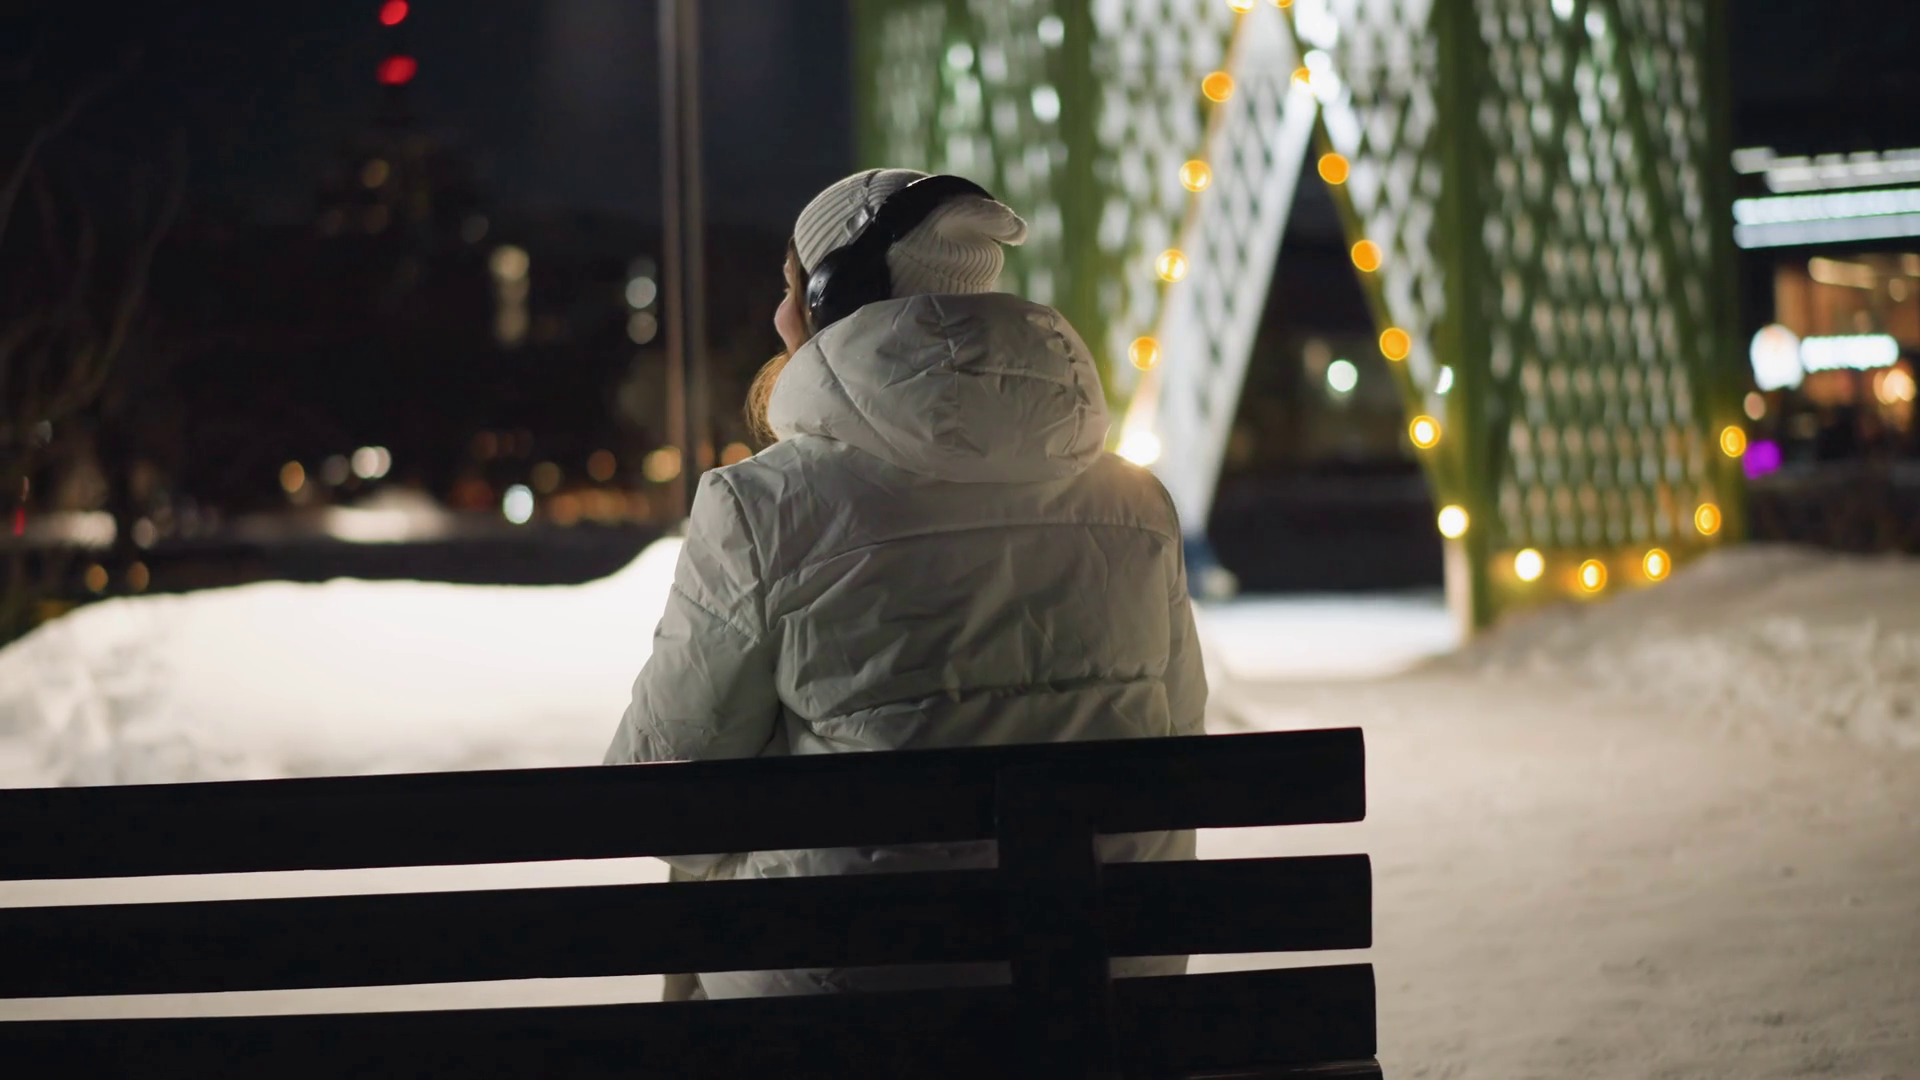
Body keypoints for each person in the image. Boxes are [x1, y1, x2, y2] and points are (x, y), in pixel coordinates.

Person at [605, 168, 1207, 1000]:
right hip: (1102, 988)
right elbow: (1178, 753)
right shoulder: (1136, 506)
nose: (780, 316)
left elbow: (660, 803)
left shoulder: (762, 506)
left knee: (702, 891)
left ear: (833, 298)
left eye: (791, 287)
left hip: (861, 1007)